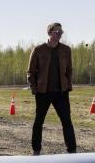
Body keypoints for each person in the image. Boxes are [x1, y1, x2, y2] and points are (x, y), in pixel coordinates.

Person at [26, 23, 76, 155]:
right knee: (38, 122)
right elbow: (30, 72)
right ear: (49, 33)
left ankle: (72, 151)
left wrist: (68, 85)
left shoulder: (66, 50)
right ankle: (36, 150)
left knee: (67, 121)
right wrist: (34, 89)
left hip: (61, 93)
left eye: (61, 32)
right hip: (43, 92)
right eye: (56, 31)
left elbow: (69, 70)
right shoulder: (38, 50)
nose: (59, 34)